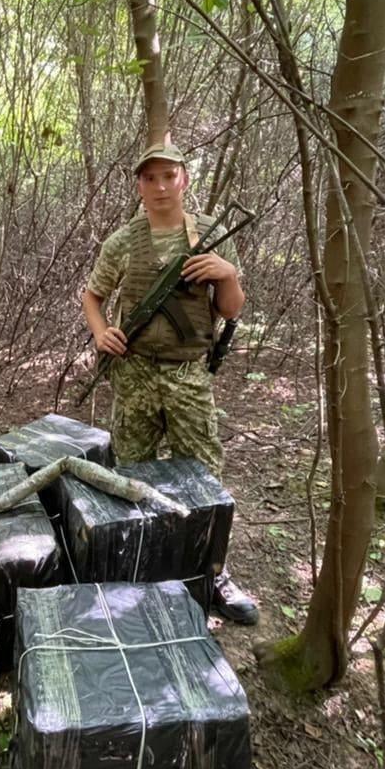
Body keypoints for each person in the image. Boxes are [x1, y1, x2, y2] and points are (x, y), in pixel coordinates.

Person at [81, 141, 258, 625]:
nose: (160, 186)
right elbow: (93, 296)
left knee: (203, 479)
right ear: (139, 185)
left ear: (184, 179)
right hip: (135, 373)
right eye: (150, 178)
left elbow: (231, 309)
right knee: (131, 475)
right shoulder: (122, 242)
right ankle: (136, 568)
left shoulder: (211, 235)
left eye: (169, 176)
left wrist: (227, 274)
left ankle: (211, 573)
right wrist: (102, 332)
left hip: (188, 375)